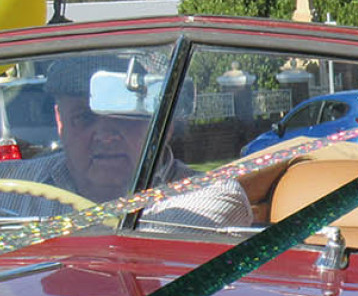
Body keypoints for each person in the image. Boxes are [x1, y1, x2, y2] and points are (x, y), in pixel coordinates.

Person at [0, 53, 252, 228]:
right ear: (60, 121)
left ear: (166, 121)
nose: (105, 135)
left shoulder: (212, 195)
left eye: (125, 115)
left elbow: (135, 253)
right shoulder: (8, 186)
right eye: (85, 117)